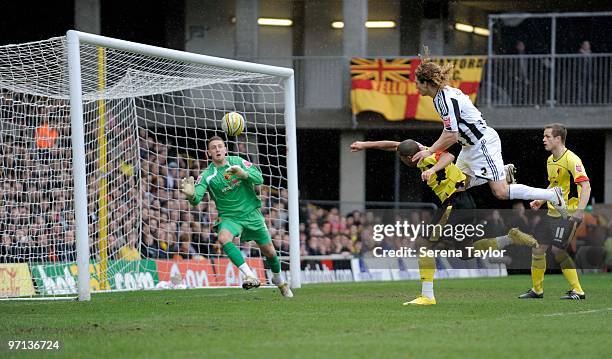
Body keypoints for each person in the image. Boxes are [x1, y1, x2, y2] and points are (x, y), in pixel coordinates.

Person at [351, 139, 537, 305]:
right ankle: (510, 238)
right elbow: (392, 144)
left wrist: (432, 169)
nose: (400, 159)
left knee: (423, 243)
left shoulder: (426, 158)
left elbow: (448, 155)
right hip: (463, 203)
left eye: (401, 158)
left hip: (453, 204)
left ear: (408, 157)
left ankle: (427, 296)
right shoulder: (420, 149)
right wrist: (364, 145)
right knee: (466, 252)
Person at [411, 54, 568, 218]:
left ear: (426, 83)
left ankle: (552, 195)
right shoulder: (441, 96)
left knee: (501, 192)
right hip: (469, 146)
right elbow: (451, 133)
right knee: (457, 185)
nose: (415, 86)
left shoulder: (444, 100)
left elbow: (451, 135)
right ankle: (502, 171)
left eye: (417, 83)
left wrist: (429, 151)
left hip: (482, 144)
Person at [179, 136, 293, 297]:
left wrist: (243, 174)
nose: (217, 149)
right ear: (208, 153)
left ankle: (278, 280)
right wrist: (190, 195)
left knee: (271, 253)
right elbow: (196, 199)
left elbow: (260, 178)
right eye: (213, 147)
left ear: (225, 150)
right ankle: (249, 275)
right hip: (230, 217)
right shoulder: (207, 175)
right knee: (224, 238)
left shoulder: (238, 161)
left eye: (220, 146)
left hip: (252, 214)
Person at [518, 124, 589, 300]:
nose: (544, 139)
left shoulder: (572, 160)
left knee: (558, 251)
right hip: (551, 213)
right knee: (538, 250)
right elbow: (554, 185)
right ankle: (537, 290)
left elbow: (585, 186)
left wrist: (580, 212)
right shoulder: (550, 160)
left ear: (558, 139)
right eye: (544, 136)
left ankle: (578, 291)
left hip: (568, 214)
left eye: (547, 136)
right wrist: (541, 199)